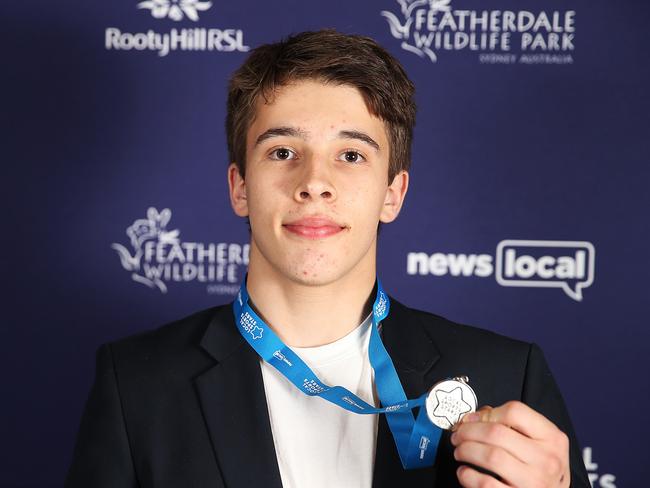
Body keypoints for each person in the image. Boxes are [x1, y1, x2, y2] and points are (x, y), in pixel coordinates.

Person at [66, 30, 590, 487]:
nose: (314, 182)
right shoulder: (136, 384)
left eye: (352, 155)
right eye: (282, 152)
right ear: (240, 187)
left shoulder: (506, 376)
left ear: (393, 193)